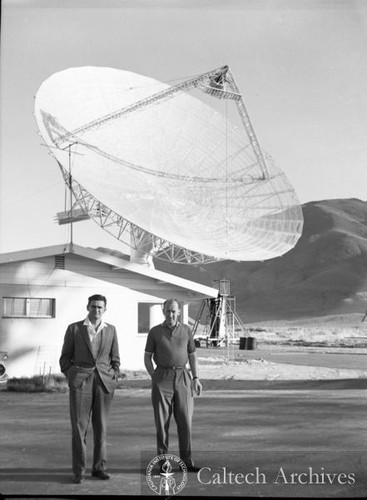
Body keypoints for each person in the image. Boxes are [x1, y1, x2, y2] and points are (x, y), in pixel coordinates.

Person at [59, 294, 120, 484]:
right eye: (93, 307)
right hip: (80, 382)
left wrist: (114, 374)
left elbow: (115, 358)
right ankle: (79, 471)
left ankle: (99, 468)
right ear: (87, 307)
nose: (96, 310)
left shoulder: (111, 330)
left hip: (103, 383)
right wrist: (71, 374)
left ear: (105, 309)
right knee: (79, 429)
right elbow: (65, 358)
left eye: (100, 307)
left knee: (101, 428)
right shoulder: (75, 329)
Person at [144, 299, 202, 472]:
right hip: (162, 377)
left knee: (185, 421)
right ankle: (164, 463)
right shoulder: (155, 332)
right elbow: (147, 356)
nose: (171, 314)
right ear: (163, 311)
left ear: (179, 312)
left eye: (174, 311)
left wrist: (196, 378)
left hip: (183, 376)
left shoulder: (186, 330)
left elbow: (192, 356)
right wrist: (154, 376)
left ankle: (187, 462)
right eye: (168, 310)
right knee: (162, 423)